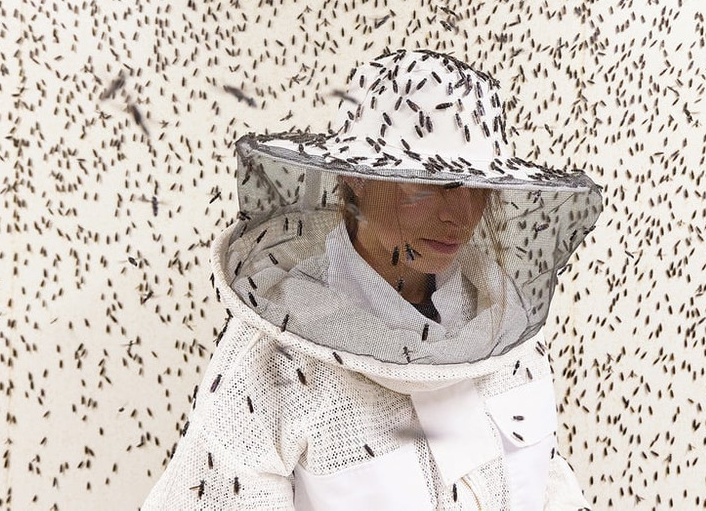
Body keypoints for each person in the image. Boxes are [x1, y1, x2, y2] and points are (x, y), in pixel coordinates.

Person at [143, 49, 602, 510]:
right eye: (429, 184)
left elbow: (548, 485)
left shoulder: (506, 330)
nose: (459, 217)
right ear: (355, 179)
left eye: (478, 188)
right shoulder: (270, 362)